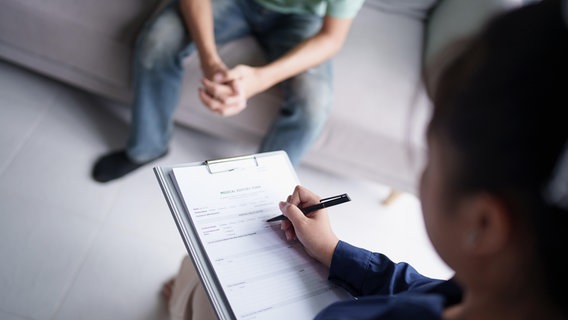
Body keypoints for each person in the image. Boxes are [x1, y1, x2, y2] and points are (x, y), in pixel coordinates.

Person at [163, 0, 568, 319]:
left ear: (484, 224)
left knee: (203, 280)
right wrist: (332, 249)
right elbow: (414, 286)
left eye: (432, 155)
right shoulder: (481, 292)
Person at [91, 0, 364, 183]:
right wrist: (209, 60)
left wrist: (261, 79)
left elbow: (331, 37)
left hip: (302, 19)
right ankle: (147, 149)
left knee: (313, 105)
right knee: (157, 42)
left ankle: (260, 188)